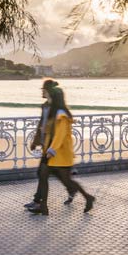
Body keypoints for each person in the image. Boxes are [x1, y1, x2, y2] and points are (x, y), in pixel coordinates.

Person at [28, 85, 95, 216]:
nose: (47, 96)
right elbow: (47, 130)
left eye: (50, 95)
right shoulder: (53, 112)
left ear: (55, 97)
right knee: (43, 175)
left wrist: (51, 150)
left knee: (66, 180)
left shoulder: (61, 115)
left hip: (61, 154)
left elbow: (60, 134)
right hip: (52, 152)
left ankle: (88, 197)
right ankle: (43, 206)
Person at [23, 79, 67, 209]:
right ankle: (71, 190)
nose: (41, 92)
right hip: (45, 144)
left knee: (42, 173)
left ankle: (40, 203)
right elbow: (41, 124)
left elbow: (59, 129)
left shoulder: (58, 108)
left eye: (43, 89)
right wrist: (36, 141)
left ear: (48, 91)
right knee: (46, 173)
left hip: (52, 145)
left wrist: (53, 146)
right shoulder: (45, 106)